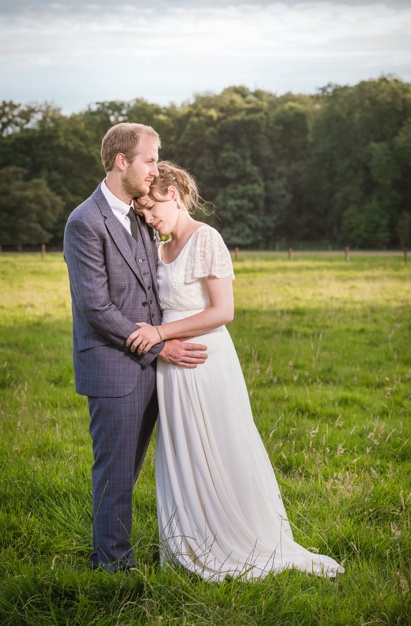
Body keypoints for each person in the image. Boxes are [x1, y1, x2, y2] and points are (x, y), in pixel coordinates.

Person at [124, 162, 343, 581]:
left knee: (219, 443)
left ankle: (234, 535)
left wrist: (158, 333)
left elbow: (223, 311)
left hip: (206, 360)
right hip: (171, 365)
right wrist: (160, 343)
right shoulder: (157, 244)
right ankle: (192, 537)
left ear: (174, 194)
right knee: (183, 449)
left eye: (151, 209)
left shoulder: (207, 239)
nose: (149, 219)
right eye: (142, 213)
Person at [63, 123, 209, 573]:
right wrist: (159, 348)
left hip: (154, 371)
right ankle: (112, 566)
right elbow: (96, 307)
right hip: (113, 368)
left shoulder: (139, 215)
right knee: (115, 475)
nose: (155, 168)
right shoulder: (85, 222)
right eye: (149, 159)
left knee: (139, 472)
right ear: (121, 161)